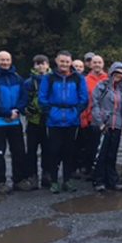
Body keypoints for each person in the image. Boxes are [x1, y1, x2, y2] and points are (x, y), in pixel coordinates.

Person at [39, 50, 89, 193]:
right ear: (56, 61)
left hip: (72, 120)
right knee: (53, 151)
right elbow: (42, 98)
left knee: (69, 151)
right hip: (54, 120)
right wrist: (51, 113)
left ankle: (67, 180)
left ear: (71, 62)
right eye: (62, 61)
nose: (64, 64)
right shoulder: (49, 78)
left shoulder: (78, 78)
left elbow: (84, 98)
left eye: (67, 62)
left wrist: (75, 112)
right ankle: (54, 181)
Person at [0, 51, 29, 194]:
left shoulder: (17, 78)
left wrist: (17, 111)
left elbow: (23, 97)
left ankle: (19, 180)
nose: (5, 62)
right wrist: (7, 113)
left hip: (15, 122)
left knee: (19, 152)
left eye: (7, 59)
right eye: (2, 60)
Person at [91, 62, 122, 191]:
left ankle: (112, 180)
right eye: (117, 73)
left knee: (112, 154)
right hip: (103, 125)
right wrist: (100, 122)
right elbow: (95, 105)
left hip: (116, 125)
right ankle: (98, 180)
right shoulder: (101, 87)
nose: (119, 76)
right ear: (112, 72)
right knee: (101, 154)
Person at [76, 54, 107, 178]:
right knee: (90, 146)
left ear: (103, 64)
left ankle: (101, 169)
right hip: (90, 118)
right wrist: (83, 117)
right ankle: (88, 169)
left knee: (104, 146)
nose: (97, 65)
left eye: (99, 62)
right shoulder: (85, 80)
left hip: (105, 118)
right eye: (95, 62)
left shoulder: (108, 79)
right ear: (90, 65)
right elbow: (83, 100)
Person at [24, 54, 51, 189]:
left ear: (48, 65)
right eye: (37, 63)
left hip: (48, 120)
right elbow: (23, 99)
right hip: (33, 121)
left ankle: (47, 174)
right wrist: (26, 109)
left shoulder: (53, 80)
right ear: (34, 66)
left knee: (48, 149)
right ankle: (32, 175)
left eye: (43, 63)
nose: (40, 66)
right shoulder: (29, 82)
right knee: (31, 150)